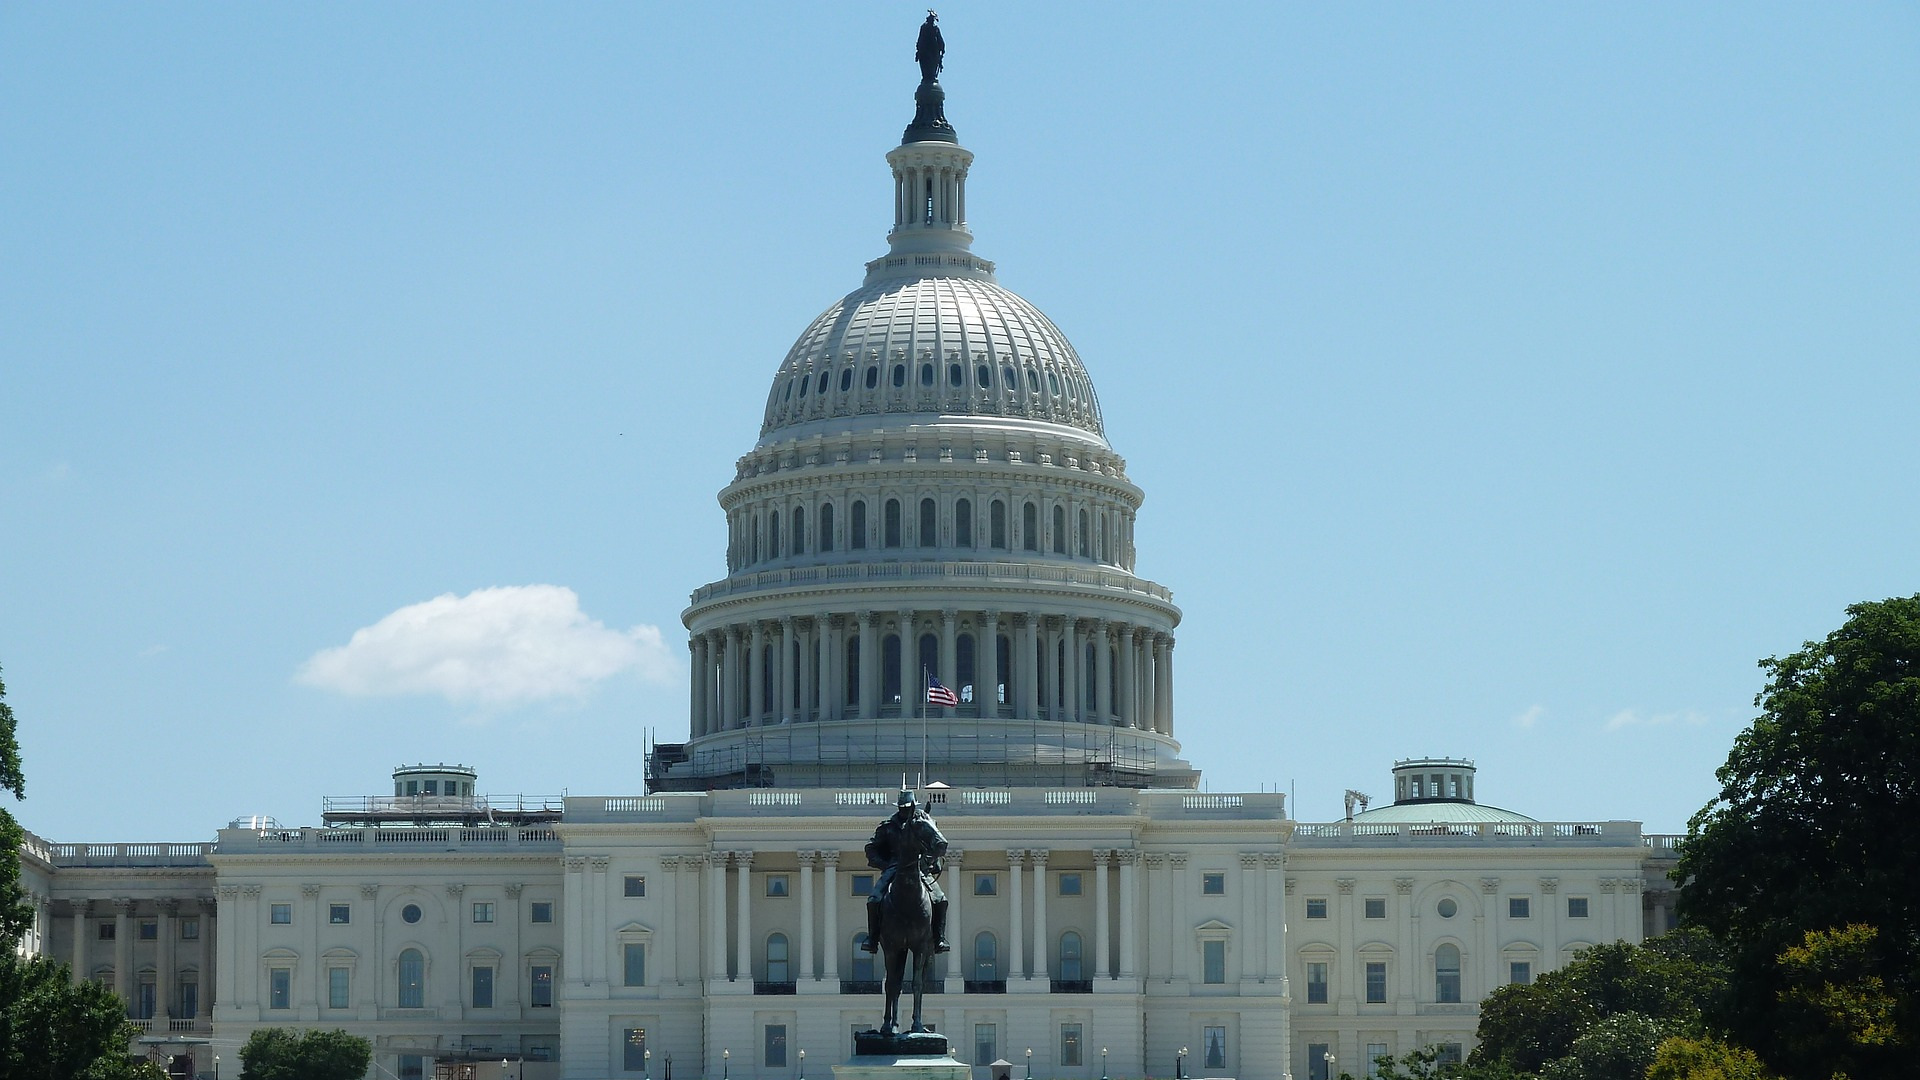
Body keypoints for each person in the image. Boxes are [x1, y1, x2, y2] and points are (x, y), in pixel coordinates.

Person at [861, 788, 950, 952]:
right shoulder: (888, 826)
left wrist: (927, 861)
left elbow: (936, 844)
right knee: (874, 899)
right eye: (903, 807)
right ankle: (872, 938)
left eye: (908, 807)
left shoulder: (924, 821)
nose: (906, 810)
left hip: (920, 867)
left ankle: (939, 938)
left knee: (940, 899)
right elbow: (871, 848)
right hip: (894, 866)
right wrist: (884, 864)